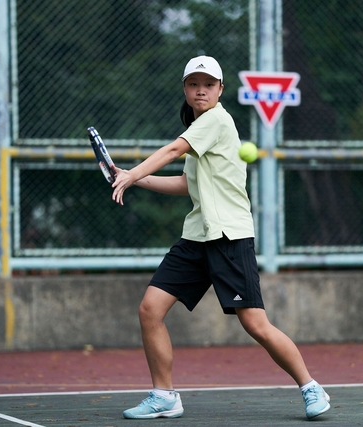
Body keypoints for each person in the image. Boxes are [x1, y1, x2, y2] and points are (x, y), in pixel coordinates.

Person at [111, 55, 330, 420]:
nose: (201, 90)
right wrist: (134, 179)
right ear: (185, 88)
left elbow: (171, 150)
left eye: (208, 84)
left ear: (220, 90)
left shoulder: (214, 120)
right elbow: (187, 183)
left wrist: (132, 174)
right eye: (194, 84)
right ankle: (164, 395)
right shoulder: (198, 126)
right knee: (150, 309)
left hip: (229, 235)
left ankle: (310, 386)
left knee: (255, 324)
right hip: (197, 236)